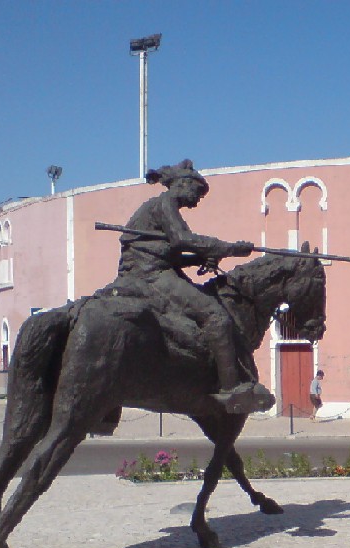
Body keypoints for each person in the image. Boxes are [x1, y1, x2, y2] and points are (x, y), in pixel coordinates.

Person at [113, 159, 274, 413]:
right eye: (197, 192)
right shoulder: (164, 203)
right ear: (183, 184)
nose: (198, 200)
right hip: (151, 276)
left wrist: (198, 258)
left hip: (149, 270)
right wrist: (231, 249)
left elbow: (166, 251)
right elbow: (181, 240)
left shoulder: (155, 208)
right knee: (216, 316)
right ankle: (231, 389)